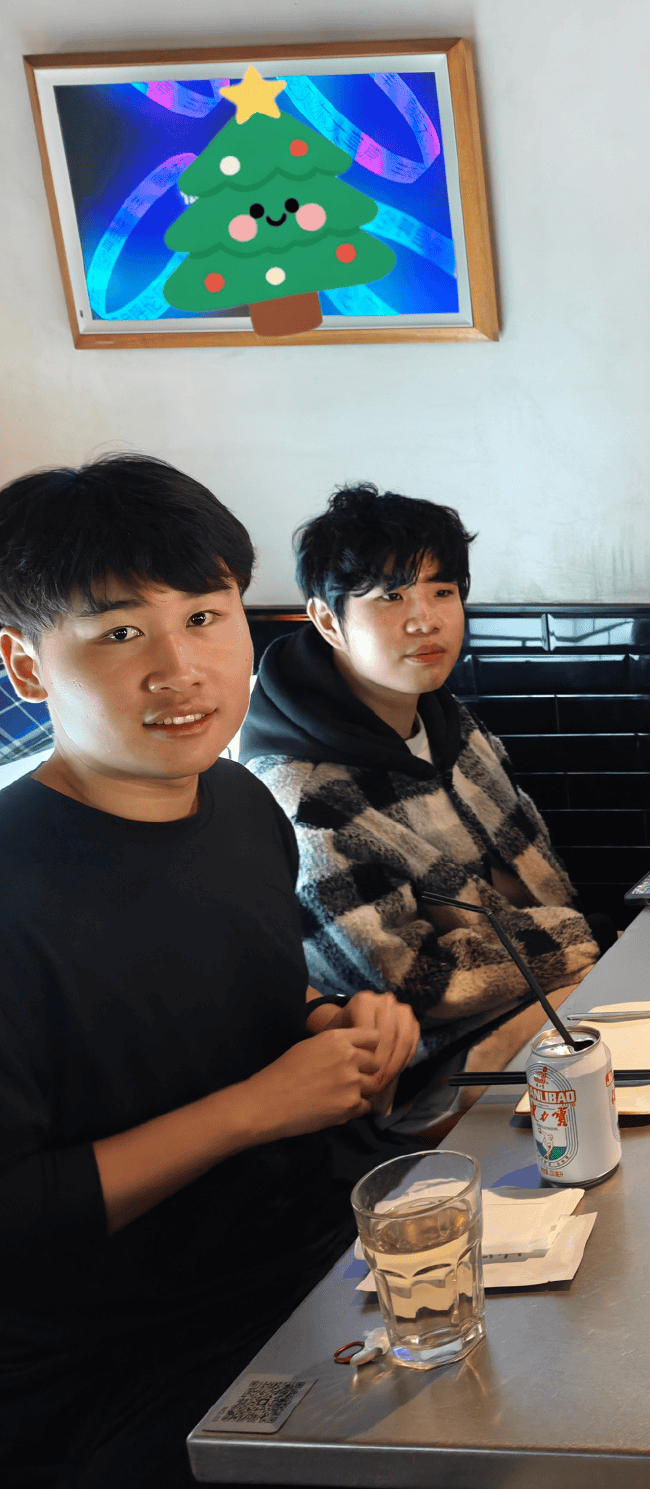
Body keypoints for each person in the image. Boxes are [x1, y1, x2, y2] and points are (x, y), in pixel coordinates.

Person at [0, 455, 420, 1487]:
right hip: (121, 1365)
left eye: (203, 617)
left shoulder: (237, 806)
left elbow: (232, 998)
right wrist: (256, 1109)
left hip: (309, 1262)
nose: (178, 669)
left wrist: (336, 1029)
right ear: (25, 666)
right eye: (118, 633)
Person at [237, 485, 605, 1108]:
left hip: (554, 995)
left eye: (443, 591)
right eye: (391, 596)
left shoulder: (446, 719)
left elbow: (536, 874)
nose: (426, 619)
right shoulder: (303, 794)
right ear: (326, 621)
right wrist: (583, 936)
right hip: (435, 1076)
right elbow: (412, 983)